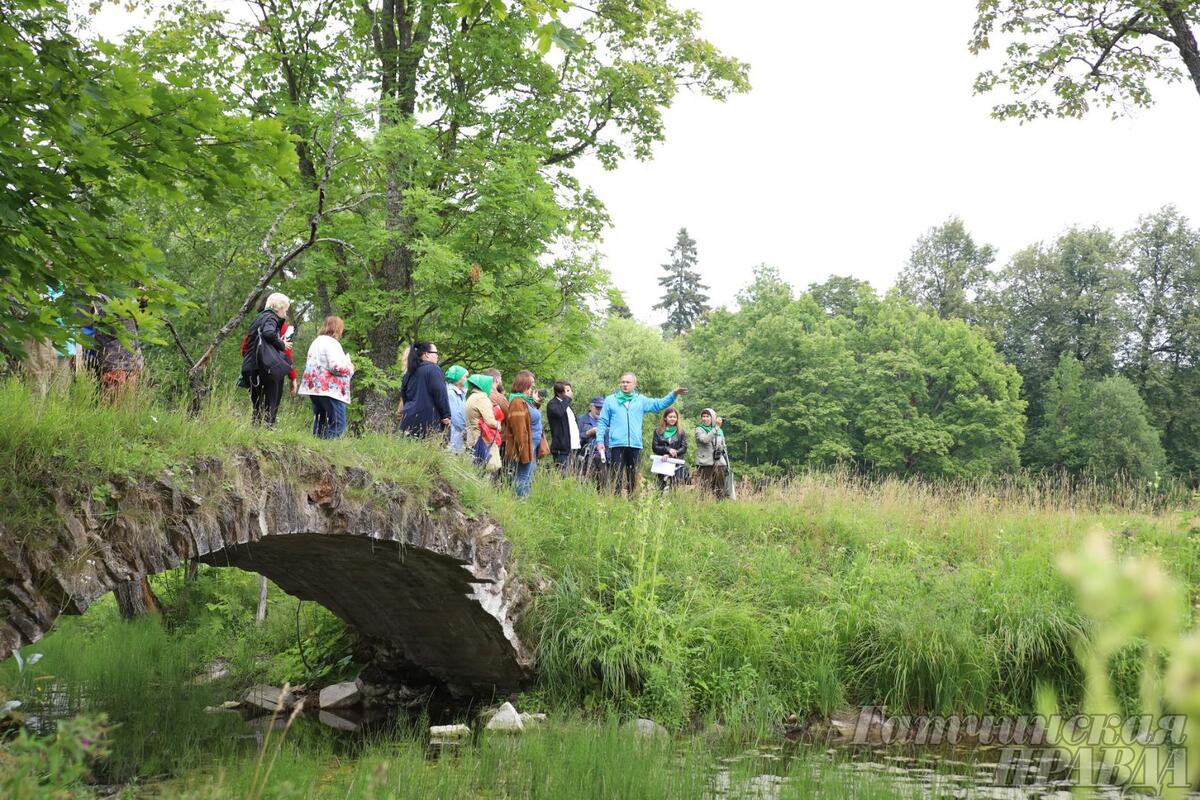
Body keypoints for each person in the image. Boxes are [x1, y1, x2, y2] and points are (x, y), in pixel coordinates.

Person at [595, 373, 688, 495]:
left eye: (628, 382)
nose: (624, 384)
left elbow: (658, 404)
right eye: (623, 382)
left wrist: (674, 394)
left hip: (635, 445)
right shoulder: (610, 400)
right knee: (616, 476)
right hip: (617, 444)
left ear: (634, 384)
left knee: (633, 477)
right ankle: (616, 503)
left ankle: (632, 502)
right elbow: (602, 421)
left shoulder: (640, 400)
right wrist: (600, 441)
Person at [298, 315, 354, 439]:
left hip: (314, 389)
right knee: (338, 424)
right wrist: (349, 368)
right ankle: (331, 451)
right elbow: (336, 367)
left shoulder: (316, 342)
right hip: (330, 390)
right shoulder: (332, 343)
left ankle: (317, 450)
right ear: (338, 329)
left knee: (320, 421)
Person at [241, 293, 293, 425]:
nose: (285, 314)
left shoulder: (258, 318)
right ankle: (268, 428)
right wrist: (282, 344)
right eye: (285, 310)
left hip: (251, 366)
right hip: (264, 366)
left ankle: (256, 430)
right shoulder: (271, 317)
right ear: (279, 308)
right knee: (271, 399)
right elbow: (268, 333)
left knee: (257, 403)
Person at [398, 341, 451, 437]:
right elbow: (440, 393)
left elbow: (404, 394)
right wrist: (446, 415)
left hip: (408, 421)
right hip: (428, 422)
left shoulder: (409, 372)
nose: (437, 356)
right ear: (426, 354)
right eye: (436, 353)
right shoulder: (433, 369)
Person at [502, 370, 537, 498]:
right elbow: (519, 429)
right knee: (522, 476)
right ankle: (519, 501)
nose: (532, 388)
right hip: (523, 446)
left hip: (528, 445)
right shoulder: (517, 402)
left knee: (526, 475)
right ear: (524, 384)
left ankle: (523, 500)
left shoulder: (524, 401)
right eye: (530, 385)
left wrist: (536, 403)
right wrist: (523, 449)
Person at [464, 373, 502, 471]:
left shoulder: (472, 396)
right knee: (488, 468)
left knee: (475, 467)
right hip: (482, 439)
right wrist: (499, 425)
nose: (491, 388)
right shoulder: (482, 398)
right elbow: (489, 421)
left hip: (472, 437)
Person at [546, 381, 581, 472]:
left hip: (574, 447)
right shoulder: (552, 404)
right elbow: (559, 413)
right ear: (558, 392)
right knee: (563, 477)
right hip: (562, 449)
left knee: (574, 477)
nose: (570, 393)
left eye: (570, 390)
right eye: (567, 390)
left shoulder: (567, 406)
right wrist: (567, 399)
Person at [695, 408, 729, 498]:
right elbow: (705, 440)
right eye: (703, 416)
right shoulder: (699, 429)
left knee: (720, 489)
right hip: (705, 462)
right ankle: (704, 507)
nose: (705, 419)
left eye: (707, 416)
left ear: (712, 417)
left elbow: (723, 446)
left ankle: (720, 507)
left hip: (719, 462)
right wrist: (716, 428)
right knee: (704, 489)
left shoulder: (720, 431)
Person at [651, 408, 688, 490]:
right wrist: (667, 450)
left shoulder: (681, 432)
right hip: (662, 462)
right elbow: (655, 447)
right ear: (665, 418)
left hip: (677, 462)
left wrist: (672, 453)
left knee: (675, 486)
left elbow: (684, 448)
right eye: (670, 417)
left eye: (674, 417)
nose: (672, 419)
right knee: (660, 487)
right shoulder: (658, 431)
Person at [576, 395, 605, 479]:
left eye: (602, 408)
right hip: (586, 458)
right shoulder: (581, 420)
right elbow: (574, 440)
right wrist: (588, 433)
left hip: (603, 458)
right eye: (597, 408)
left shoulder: (607, 421)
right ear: (591, 406)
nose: (599, 411)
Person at [445, 365, 468, 452]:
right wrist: (466, 431)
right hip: (454, 436)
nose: (467, 379)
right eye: (465, 376)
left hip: (459, 436)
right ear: (458, 378)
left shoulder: (460, 393)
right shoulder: (451, 393)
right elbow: (455, 417)